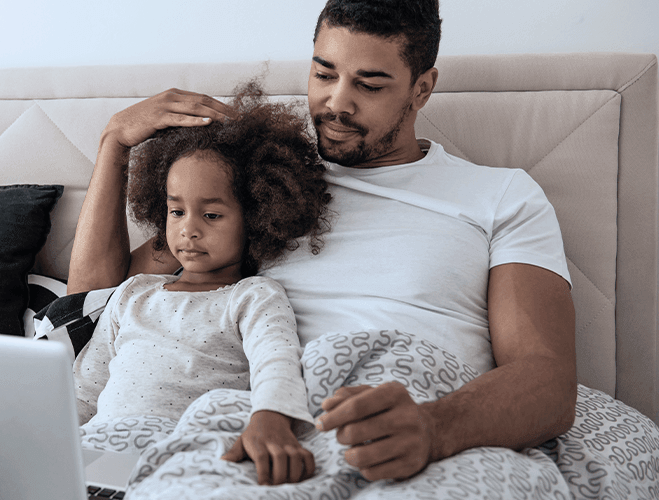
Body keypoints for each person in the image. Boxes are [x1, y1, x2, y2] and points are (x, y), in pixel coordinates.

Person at [68, 0, 577, 484]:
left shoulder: (500, 195)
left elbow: (546, 379)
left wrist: (434, 426)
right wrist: (113, 144)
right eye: (323, 74)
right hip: (266, 425)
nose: (337, 103)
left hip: (412, 413)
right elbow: (91, 304)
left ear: (422, 88)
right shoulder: (264, 180)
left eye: (369, 84)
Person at [73, 82, 333, 486]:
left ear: (259, 217)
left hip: (185, 454)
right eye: (177, 211)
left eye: (211, 216)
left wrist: (270, 419)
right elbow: (85, 391)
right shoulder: (134, 292)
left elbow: (275, 361)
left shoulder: (253, 297)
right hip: (97, 455)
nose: (188, 230)